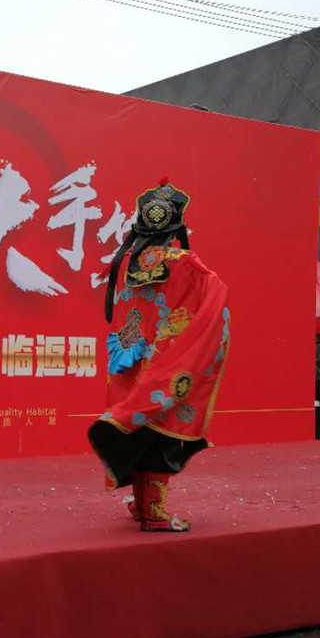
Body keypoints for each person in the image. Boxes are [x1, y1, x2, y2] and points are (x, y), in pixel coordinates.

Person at [88, 180, 229, 532]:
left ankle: (142, 504)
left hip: (128, 358)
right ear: (177, 228)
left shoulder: (125, 262)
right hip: (164, 359)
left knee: (136, 429)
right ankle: (153, 510)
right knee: (161, 431)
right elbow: (215, 294)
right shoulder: (185, 263)